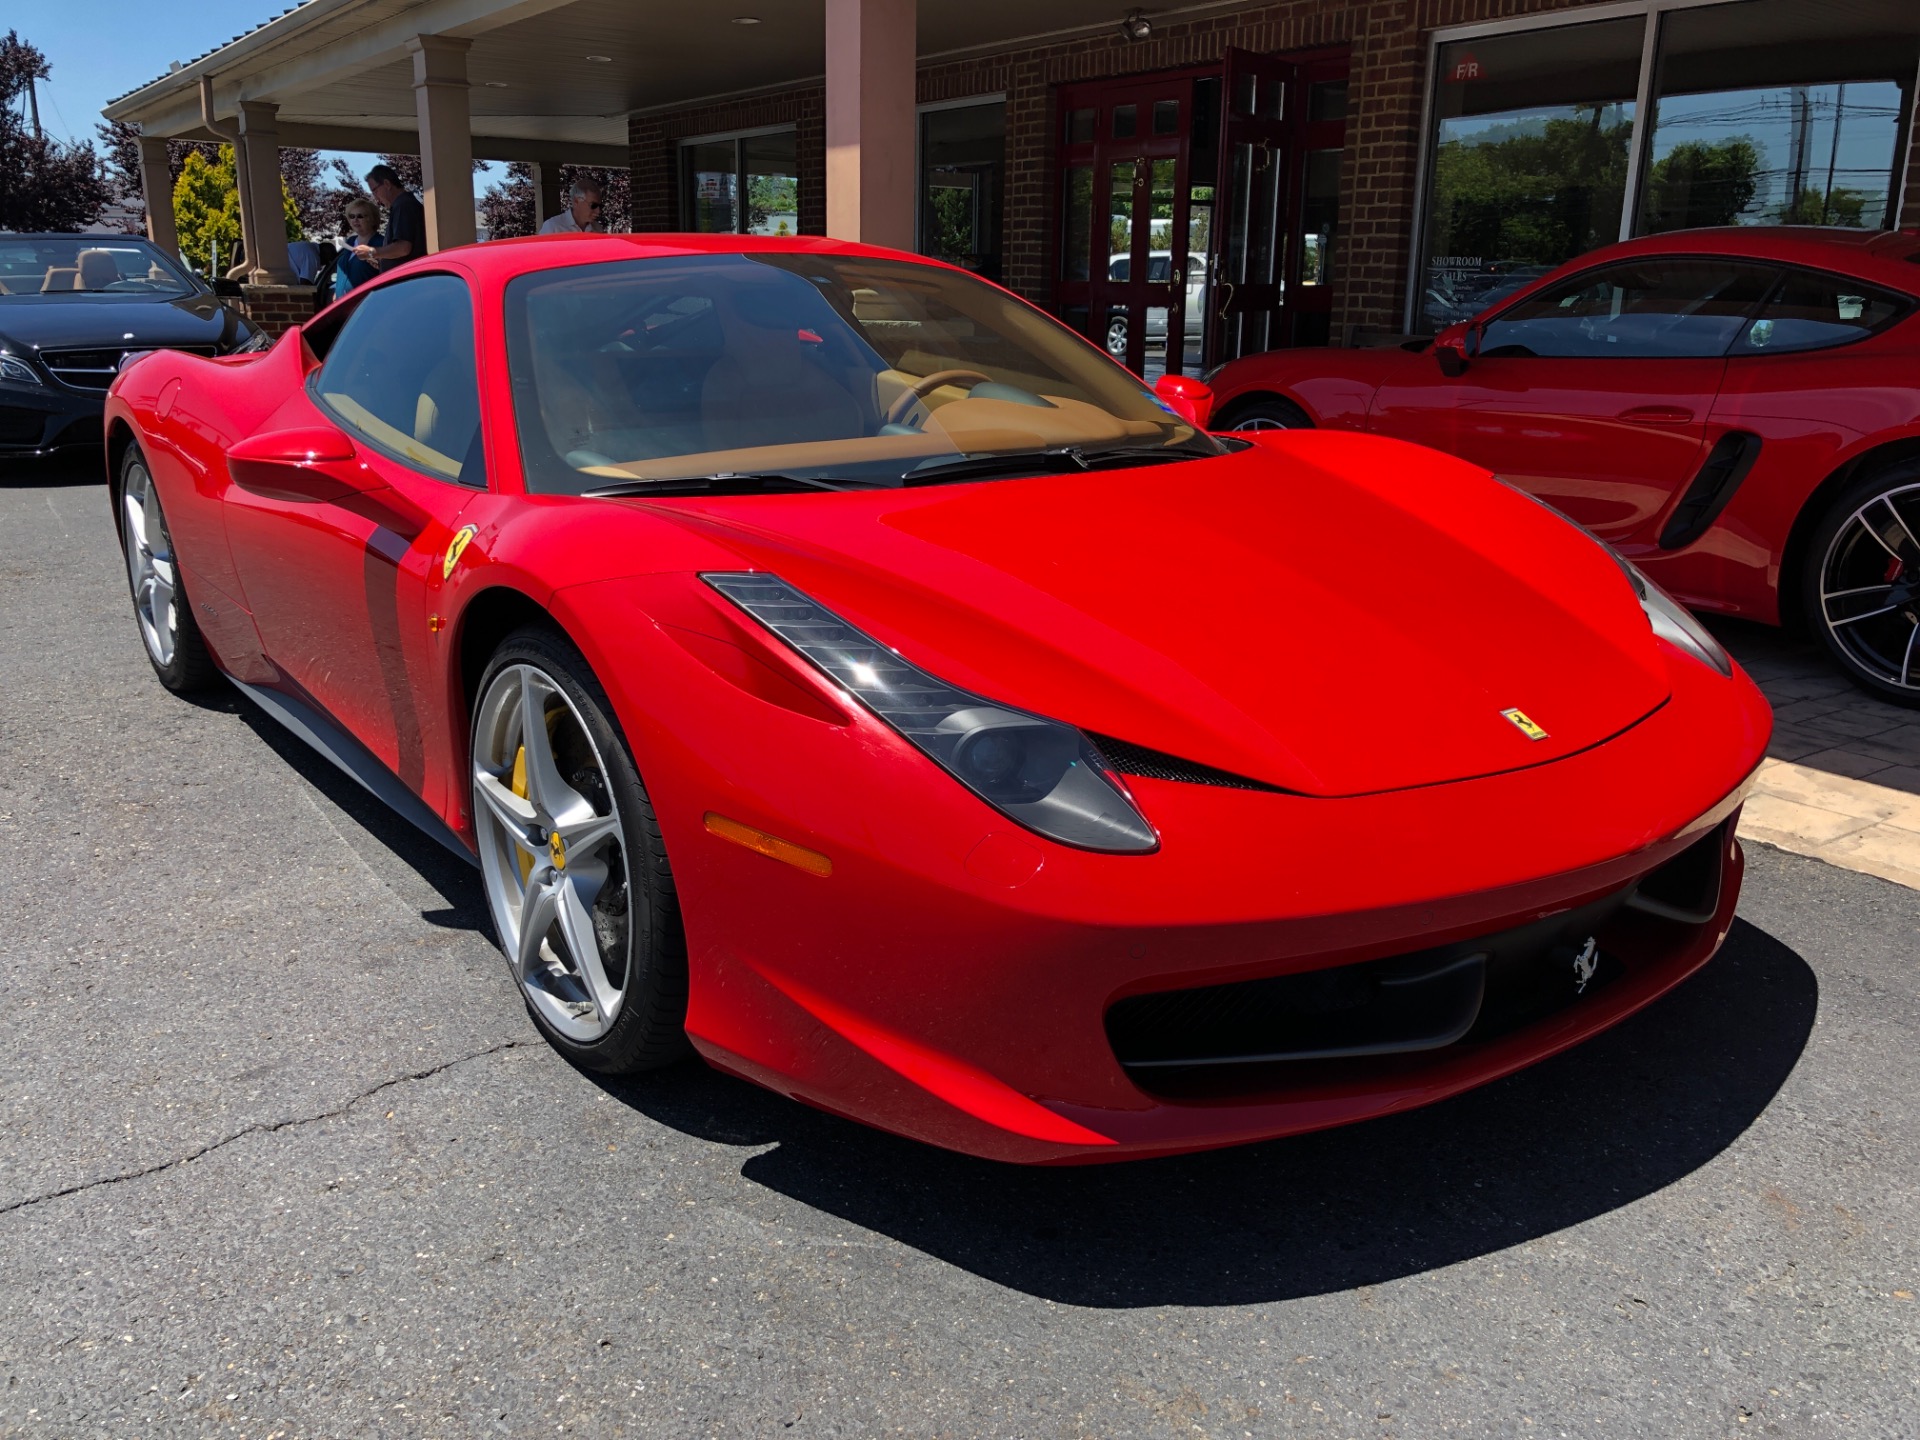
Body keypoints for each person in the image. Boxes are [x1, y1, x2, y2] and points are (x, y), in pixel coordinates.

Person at [357, 163, 429, 271]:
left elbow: (403, 248)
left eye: (375, 191)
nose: (375, 197)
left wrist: (371, 252)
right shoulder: (403, 205)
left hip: (408, 280)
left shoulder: (403, 206)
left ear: (387, 184)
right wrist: (383, 260)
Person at [333, 198, 385, 298]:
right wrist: (337, 291)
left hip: (366, 302)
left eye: (360, 216)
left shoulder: (381, 243)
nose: (355, 220)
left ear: (372, 219)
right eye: (352, 216)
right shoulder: (350, 241)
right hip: (343, 303)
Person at [538, 176, 608, 235]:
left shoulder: (597, 229)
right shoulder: (553, 227)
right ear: (576, 201)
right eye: (593, 205)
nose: (598, 211)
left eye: (600, 206)